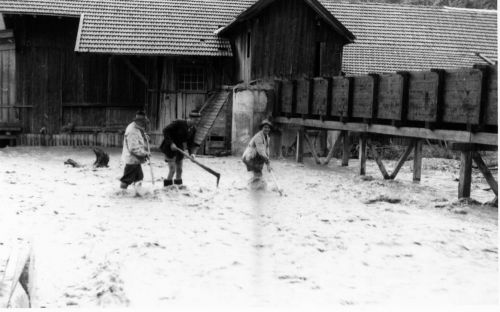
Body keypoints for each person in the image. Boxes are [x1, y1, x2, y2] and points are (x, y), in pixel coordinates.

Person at [160, 111, 201, 187]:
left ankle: (178, 187)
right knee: (172, 170)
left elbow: (190, 143)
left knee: (180, 170)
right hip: (169, 147)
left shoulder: (193, 129)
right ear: (190, 118)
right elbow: (165, 130)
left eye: (198, 120)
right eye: (196, 120)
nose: (197, 122)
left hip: (179, 148)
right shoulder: (179, 123)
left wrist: (192, 154)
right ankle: (167, 189)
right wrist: (171, 143)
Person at [119, 110, 151, 195]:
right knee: (127, 179)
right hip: (132, 159)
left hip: (136, 160)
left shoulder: (137, 128)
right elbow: (133, 148)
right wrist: (145, 153)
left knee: (139, 177)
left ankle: (138, 194)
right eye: (144, 122)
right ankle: (121, 195)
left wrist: (144, 136)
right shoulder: (132, 130)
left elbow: (139, 138)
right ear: (140, 121)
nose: (145, 124)